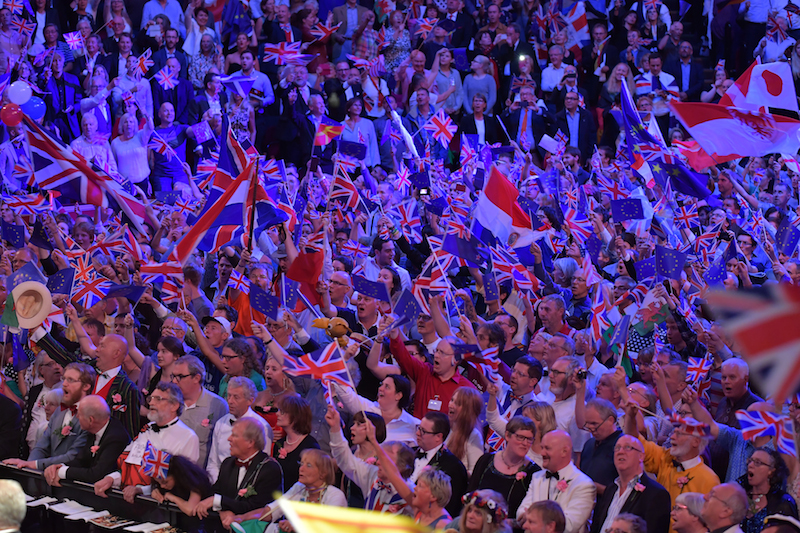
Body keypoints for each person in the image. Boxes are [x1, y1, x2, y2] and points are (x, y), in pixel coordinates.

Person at [193, 418, 283, 529]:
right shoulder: (228, 463)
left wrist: (218, 501)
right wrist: (223, 510)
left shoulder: (269, 469)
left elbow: (256, 509)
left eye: (235, 435)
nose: (229, 439)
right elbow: (214, 492)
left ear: (250, 442)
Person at [326, 405, 415, 512]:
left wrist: (373, 440)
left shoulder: (413, 492)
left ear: (402, 466)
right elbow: (344, 459)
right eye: (379, 459)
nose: (378, 462)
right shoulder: (373, 476)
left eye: (384, 460)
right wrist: (335, 427)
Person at [233, 448, 346, 533]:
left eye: (309, 465)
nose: (301, 468)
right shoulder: (299, 488)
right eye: (301, 464)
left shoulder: (335, 495)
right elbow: (271, 511)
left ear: (323, 473)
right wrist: (241, 518)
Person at [517, 430, 597, 533]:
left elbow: (570, 525)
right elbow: (521, 512)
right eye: (542, 448)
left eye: (547, 448)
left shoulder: (584, 484)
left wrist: (534, 518)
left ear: (564, 451)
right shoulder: (537, 477)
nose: (542, 453)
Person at [41, 395, 131, 485]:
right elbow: (81, 459)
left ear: (91, 420)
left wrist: (62, 472)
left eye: (79, 414)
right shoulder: (94, 429)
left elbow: (96, 474)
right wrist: (60, 467)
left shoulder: (116, 438)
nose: (76, 416)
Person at [590, 435, 672, 533]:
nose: (620, 452)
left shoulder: (656, 494)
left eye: (628, 447)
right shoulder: (610, 489)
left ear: (641, 456)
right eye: (617, 448)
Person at [467, 416, 541, 518]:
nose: (525, 443)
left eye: (529, 439)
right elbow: (469, 496)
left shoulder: (534, 472)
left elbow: (530, 516)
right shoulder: (486, 461)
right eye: (520, 437)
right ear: (507, 435)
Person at [207, 376, 272, 482]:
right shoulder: (220, 423)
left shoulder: (262, 427)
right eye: (229, 396)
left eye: (236, 397)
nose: (230, 401)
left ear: (250, 400)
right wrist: (218, 484)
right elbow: (213, 463)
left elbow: (263, 465)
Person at [737, 448, 798, 533]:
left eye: (758, 463)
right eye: (750, 461)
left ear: (771, 471)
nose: (750, 465)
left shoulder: (783, 502)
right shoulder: (738, 495)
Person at [273, 395, 320, 488]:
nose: (277, 414)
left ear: (295, 417)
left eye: (282, 412)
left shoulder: (310, 446)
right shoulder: (279, 444)